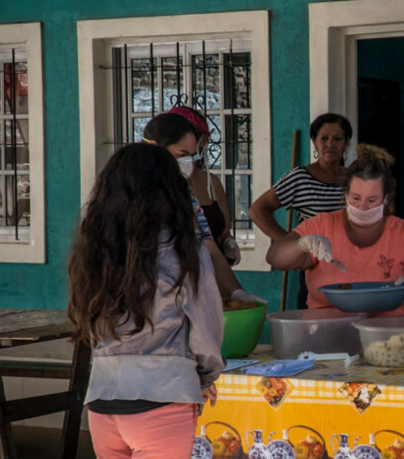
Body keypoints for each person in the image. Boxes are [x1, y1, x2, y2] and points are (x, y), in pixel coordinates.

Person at [267, 144, 404, 459]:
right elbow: (276, 256)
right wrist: (303, 245)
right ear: (345, 194)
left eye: (372, 200)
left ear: (387, 199)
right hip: (326, 344)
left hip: (387, 346)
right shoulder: (322, 225)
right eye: (356, 198)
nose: (363, 206)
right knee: (325, 428)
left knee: (383, 431)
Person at [68, 143, 224, 459]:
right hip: (162, 402)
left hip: (104, 402)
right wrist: (205, 376)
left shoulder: (94, 251)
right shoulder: (184, 250)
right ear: (169, 189)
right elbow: (207, 331)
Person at [142, 110, 264, 305]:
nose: (188, 163)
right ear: (155, 148)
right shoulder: (132, 194)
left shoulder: (187, 196)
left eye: (192, 155)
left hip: (189, 297)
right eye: (182, 155)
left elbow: (209, 248)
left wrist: (237, 293)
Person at [250, 112, 352, 308]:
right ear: (314, 141)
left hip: (351, 264)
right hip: (314, 265)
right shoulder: (300, 177)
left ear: (346, 143)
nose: (330, 144)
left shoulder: (353, 179)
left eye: (337, 139)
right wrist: (291, 242)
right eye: (324, 138)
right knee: (315, 318)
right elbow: (257, 210)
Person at [169, 106, 242, 265]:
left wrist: (228, 243)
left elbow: (223, 234)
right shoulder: (158, 184)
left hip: (211, 269)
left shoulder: (212, 184)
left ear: (202, 141)